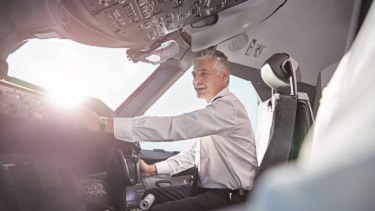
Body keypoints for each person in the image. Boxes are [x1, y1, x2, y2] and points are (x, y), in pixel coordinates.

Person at [80, 48, 258, 211]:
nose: (196, 80)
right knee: (154, 197)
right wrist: (154, 169)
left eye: (204, 73)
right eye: (194, 74)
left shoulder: (227, 109)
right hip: (205, 190)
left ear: (224, 76)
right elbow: (193, 154)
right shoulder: (216, 112)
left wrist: (104, 124)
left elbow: (175, 127)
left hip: (228, 197)